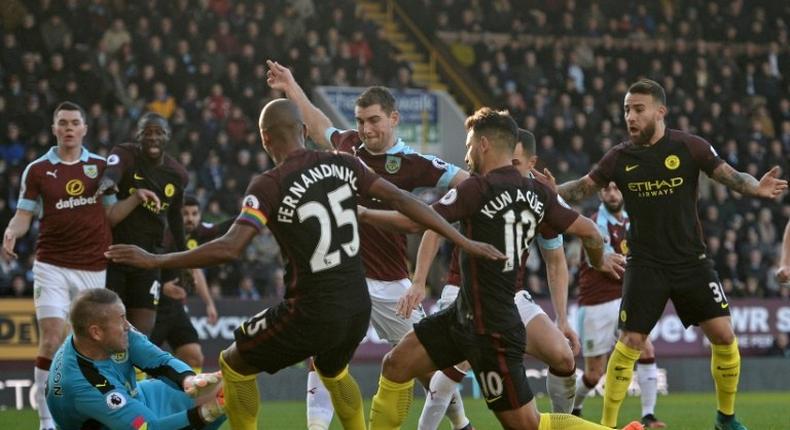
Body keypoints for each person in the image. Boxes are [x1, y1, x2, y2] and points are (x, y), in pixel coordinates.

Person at [105, 99, 503, 430]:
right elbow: (406, 201)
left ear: (265, 138)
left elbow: (230, 248)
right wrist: (463, 240)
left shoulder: (270, 183)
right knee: (332, 372)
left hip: (312, 309)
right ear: (301, 130)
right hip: (355, 305)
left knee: (232, 362)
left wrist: (154, 258)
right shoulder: (346, 164)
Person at [359, 108, 641, 430]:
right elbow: (590, 231)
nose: (466, 156)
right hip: (463, 315)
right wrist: (597, 258)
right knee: (395, 365)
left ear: (483, 145)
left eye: (468, 146)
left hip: (491, 328)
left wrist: (363, 214)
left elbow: (415, 222)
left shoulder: (477, 188)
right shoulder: (540, 194)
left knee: (527, 425)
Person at [551, 79, 787, 430]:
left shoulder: (689, 146)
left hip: (691, 262)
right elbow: (583, 187)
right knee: (630, 341)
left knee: (724, 335)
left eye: (638, 109)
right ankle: (607, 425)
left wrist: (756, 187)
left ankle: (725, 417)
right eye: (627, 110)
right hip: (645, 265)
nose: (630, 116)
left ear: (661, 111)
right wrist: (545, 191)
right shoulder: (619, 157)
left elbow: (730, 176)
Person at [266, 60, 475, 430]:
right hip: (344, 276)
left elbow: (467, 183)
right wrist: (291, 84)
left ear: (394, 119)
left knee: (428, 363)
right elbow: (315, 123)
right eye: (361, 121)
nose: (365, 129)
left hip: (394, 284)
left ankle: (461, 423)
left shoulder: (414, 163)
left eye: (373, 120)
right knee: (324, 354)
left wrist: (512, 182)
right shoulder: (348, 146)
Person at [1, 101, 158, 430]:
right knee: (52, 337)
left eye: (75, 122)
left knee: (89, 345)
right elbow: (24, 214)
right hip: (51, 265)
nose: (69, 128)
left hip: (93, 267)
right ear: (54, 129)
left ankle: (91, 412)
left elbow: (111, 216)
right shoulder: (38, 170)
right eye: (63, 123)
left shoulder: (101, 168)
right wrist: (11, 232)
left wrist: (135, 197)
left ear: (85, 129)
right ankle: (46, 422)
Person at [415, 129, 586, 430]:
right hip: (465, 292)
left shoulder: (539, 195)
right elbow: (431, 225)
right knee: (450, 374)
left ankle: (565, 424)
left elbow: (556, 259)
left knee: (562, 356)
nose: (509, 168)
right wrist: (418, 282)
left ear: (531, 162)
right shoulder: (478, 186)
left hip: (511, 296)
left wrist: (562, 319)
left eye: (516, 163)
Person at [46, 288, 225, 429]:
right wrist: (207, 413)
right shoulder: (83, 383)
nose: (127, 326)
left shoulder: (113, 335)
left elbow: (159, 360)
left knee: (224, 388)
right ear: (96, 332)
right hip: (116, 421)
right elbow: (148, 428)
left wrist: (188, 379)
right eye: (121, 320)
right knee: (212, 407)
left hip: (136, 399)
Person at [570, 182, 666, 428]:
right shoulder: (594, 223)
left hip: (625, 298)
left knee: (646, 350)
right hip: (595, 303)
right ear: (600, 194)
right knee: (593, 374)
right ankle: (575, 407)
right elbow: (613, 264)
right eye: (606, 189)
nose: (612, 194)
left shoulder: (632, 221)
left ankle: (648, 415)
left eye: (616, 189)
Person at [96, 112, 190, 336]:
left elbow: (176, 218)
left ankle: (134, 372)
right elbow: (113, 170)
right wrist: (109, 182)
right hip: (114, 254)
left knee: (141, 331)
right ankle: (107, 371)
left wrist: (185, 259)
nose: (153, 138)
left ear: (167, 137)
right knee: (111, 326)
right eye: (147, 133)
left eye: (159, 133)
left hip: (148, 258)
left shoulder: (178, 175)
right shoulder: (125, 153)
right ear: (138, 136)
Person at [151, 195, 231, 372]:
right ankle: (135, 396)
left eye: (194, 214)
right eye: (185, 213)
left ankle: (192, 399)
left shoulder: (198, 232)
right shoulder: (165, 235)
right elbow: (146, 263)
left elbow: (195, 269)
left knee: (193, 355)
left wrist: (209, 303)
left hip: (176, 307)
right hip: (152, 306)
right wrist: (162, 287)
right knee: (141, 359)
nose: (190, 218)